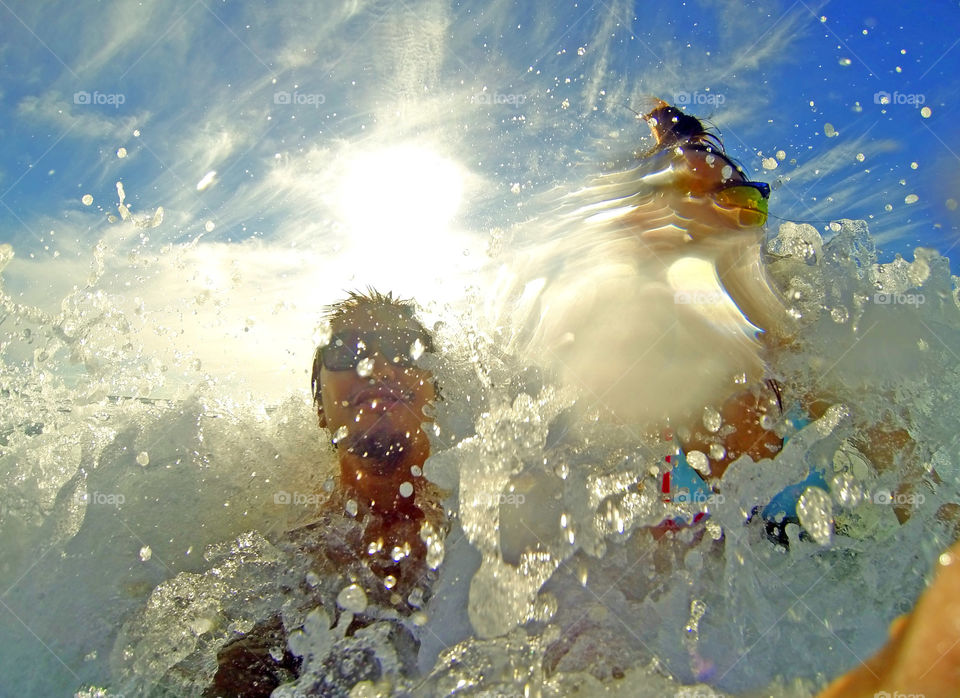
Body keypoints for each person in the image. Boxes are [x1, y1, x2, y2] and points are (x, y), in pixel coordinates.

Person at [204, 290, 445, 698]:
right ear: (320, 408)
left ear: (435, 392)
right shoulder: (288, 547)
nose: (377, 366)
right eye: (347, 350)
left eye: (405, 348)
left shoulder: (488, 525)